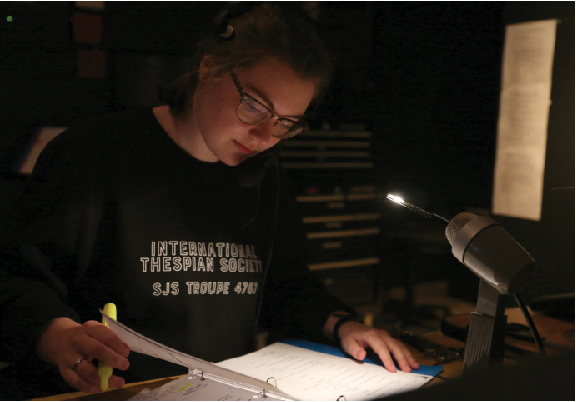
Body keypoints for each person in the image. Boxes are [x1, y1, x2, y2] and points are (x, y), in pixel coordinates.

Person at [0, 3, 418, 399]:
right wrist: (55, 334)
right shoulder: (94, 153)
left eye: (286, 123)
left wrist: (340, 324)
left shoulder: (265, 174)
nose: (265, 137)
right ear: (210, 66)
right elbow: (17, 279)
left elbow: (285, 285)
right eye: (255, 105)